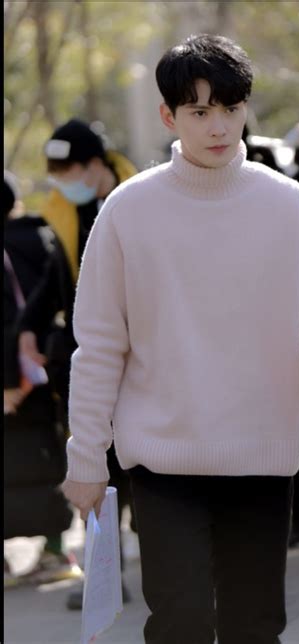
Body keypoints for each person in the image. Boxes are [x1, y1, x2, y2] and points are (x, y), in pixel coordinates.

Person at [61, 34, 299, 644]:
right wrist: (86, 456)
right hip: (162, 461)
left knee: (255, 626)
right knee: (182, 624)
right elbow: (99, 345)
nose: (218, 126)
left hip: (261, 457)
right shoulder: (127, 210)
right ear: (169, 116)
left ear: (246, 107)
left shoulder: (291, 206)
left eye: (230, 108)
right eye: (199, 111)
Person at [16, 119, 137, 607]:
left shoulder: (139, 201)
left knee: (147, 471)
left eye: (68, 172)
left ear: (94, 165)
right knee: (93, 467)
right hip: (86, 364)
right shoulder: (69, 213)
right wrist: (29, 325)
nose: (63, 183)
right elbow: (55, 277)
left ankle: (171, 569)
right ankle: (104, 580)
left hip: (143, 364)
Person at [4, 172, 81, 587]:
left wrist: (9, 381)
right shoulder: (44, 238)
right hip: (43, 372)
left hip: (11, 378)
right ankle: (54, 549)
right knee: (48, 459)